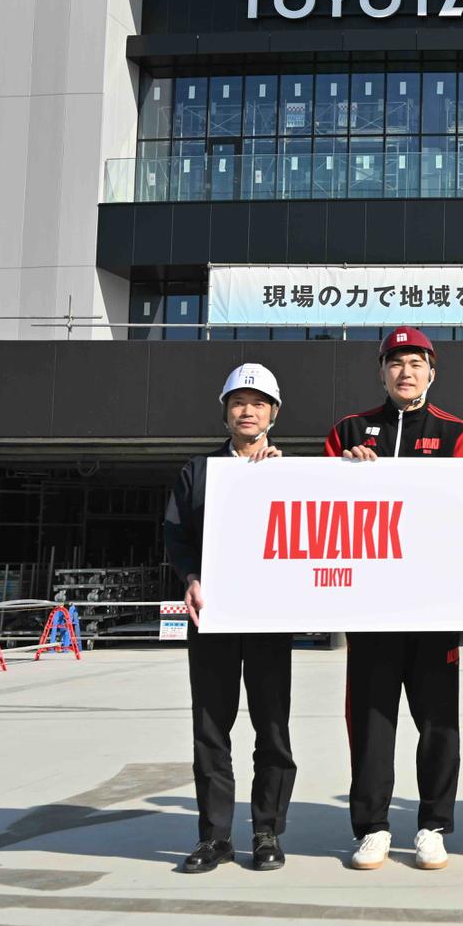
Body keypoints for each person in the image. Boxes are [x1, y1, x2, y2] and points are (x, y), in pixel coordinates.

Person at [325, 326, 463, 871]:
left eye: (416, 363)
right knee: (371, 723)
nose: (405, 372)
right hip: (370, 610)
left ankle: (433, 825)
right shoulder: (347, 431)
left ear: (432, 372)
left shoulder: (455, 431)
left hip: (434, 607)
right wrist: (350, 471)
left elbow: (459, 509)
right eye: (396, 363)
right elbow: (325, 508)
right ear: (382, 372)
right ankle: (372, 828)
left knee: (439, 722)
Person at [163, 362, 296, 873]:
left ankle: (266, 831)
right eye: (239, 402)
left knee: (272, 726)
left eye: (258, 402)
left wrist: (280, 475)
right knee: (211, 728)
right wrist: (190, 577)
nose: (247, 410)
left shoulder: (285, 469)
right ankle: (214, 836)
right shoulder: (197, 471)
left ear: (273, 414)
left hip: (266, 617)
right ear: (225, 412)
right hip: (213, 616)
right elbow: (176, 534)